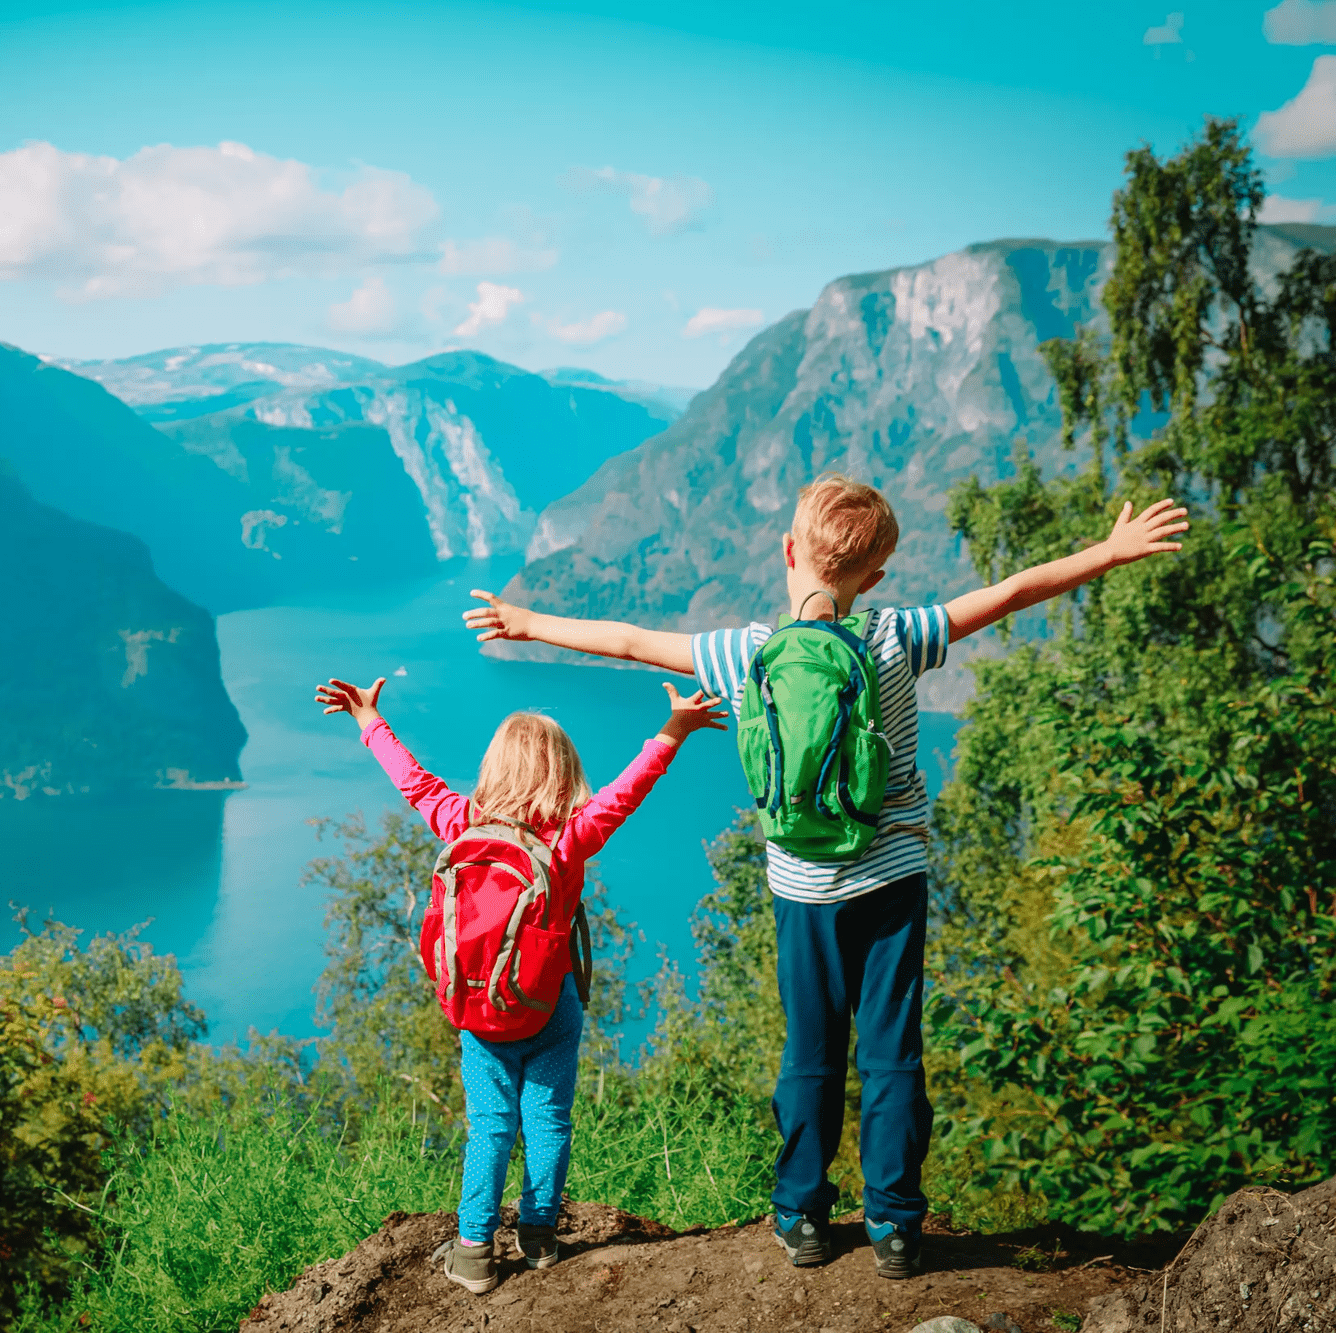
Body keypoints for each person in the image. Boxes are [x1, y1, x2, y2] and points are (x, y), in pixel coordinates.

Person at [461, 474, 1189, 1280]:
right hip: (892, 883)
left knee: (811, 1052)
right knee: (891, 1053)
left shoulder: (745, 652)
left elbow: (631, 641)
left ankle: (803, 1216)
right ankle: (896, 1224)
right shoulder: (899, 635)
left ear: (787, 551)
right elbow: (1012, 592)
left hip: (801, 891)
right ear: (874, 578)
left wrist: (527, 623)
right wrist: (1110, 553)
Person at [315, 673, 728, 1293]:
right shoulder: (568, 839)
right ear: (562, 775)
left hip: (479, 1008)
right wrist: (674, 729)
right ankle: (537, 1238)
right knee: (549, 1120)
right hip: (549, 1004)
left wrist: (369, 721)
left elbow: (414, 782)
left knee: (490, 1125)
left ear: (494, 767)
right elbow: (625, 792)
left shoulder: (461, 824)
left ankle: (476, 1250)